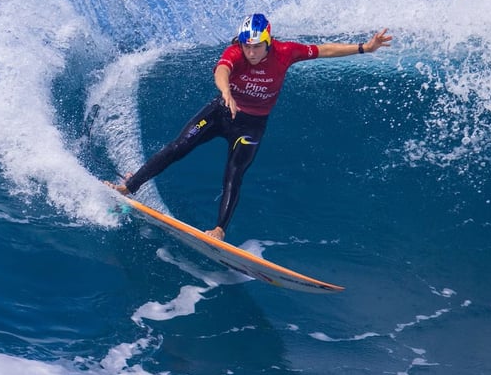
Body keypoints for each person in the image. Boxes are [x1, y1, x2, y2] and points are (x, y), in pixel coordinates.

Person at [107, 14, 392, 241]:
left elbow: (323, 50)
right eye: (246, 45)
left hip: (252, 125)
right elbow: (222, 70)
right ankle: (128, 187)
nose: (251, 51)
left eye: (256, 46)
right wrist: (226, 93)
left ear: (268, 41)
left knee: (234, 173)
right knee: (178, 147)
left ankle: (219, 229)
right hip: (221, 113)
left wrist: (364, 48)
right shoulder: (236, 53)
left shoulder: (286, 52)